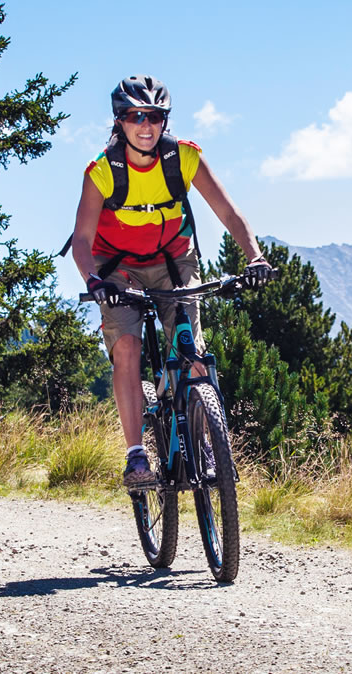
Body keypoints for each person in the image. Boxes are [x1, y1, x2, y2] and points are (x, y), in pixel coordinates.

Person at [68, 75, 272, 489]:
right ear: (119, 121)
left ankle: (204, 435)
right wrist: (94, 280)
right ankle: (136, 456)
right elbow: (83, 241)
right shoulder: (103, 172)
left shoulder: (184, 158)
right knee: (127, 346)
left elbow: (230, 214)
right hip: (117, 267)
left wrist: (255, 257)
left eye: (155, 117)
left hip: (172, 260)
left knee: (190, 349)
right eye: (134, 116)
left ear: (165, 120)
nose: (146, 125)